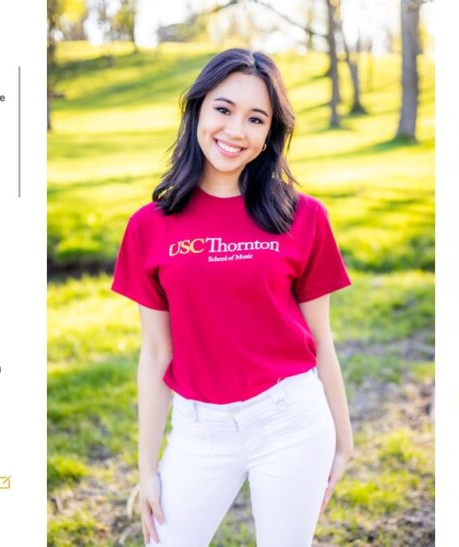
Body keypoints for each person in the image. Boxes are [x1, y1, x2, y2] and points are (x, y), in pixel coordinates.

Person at [111, 48, 354, 546]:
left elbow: (321, 340)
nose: (236, 130)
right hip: (200, 430)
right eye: (223, 109)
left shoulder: (303, 217)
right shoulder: (149, 227)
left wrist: (343, 440)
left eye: (255, 118)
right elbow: (157, 351)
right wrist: (147, 467)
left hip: (291, 421)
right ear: (198, 109)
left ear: (270, 134)